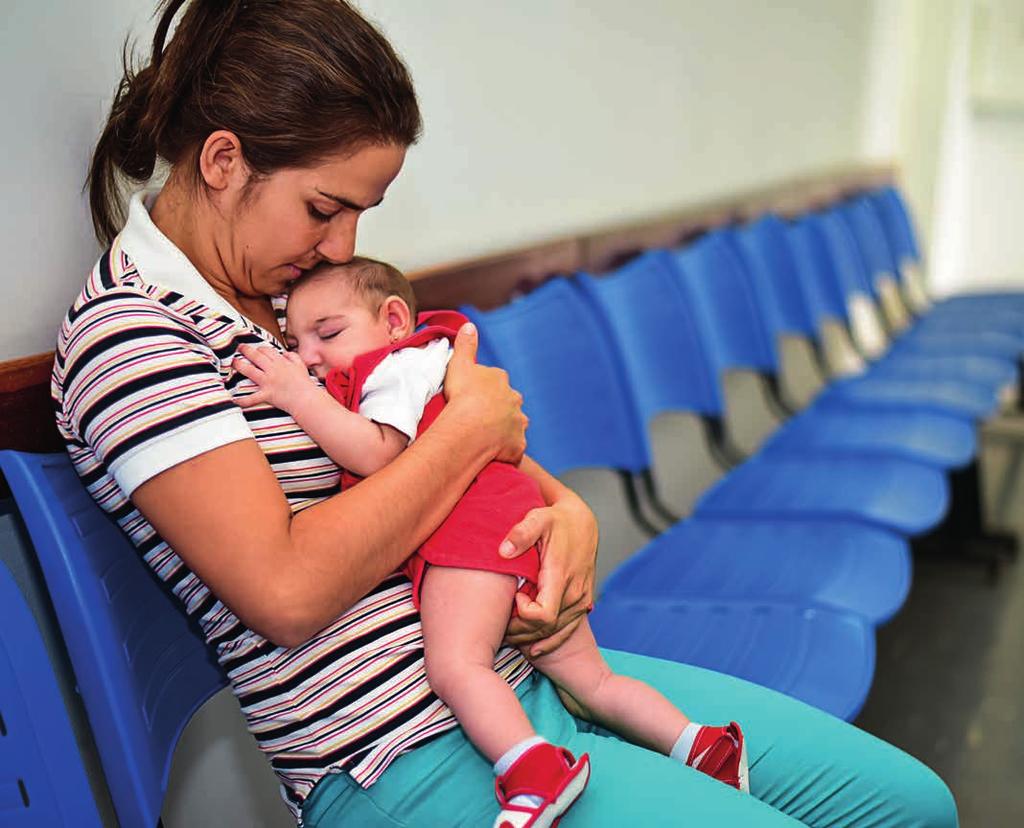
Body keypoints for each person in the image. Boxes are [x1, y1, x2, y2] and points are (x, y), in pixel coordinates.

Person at [54, 0, 958, 825]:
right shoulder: (133, 337)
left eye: (360, 214)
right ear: (222, 161)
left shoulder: (295, 295)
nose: (344, 245)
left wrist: (567, 511)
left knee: (911, 805)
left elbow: (477, 453)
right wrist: (467, 432)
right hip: (394, 752)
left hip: (526, 677)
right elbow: (287, 596)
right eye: (323, 209)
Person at [232, 257, 750, 824]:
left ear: (395, 320)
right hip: (510, 520)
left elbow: (378, 454)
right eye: (296, 342)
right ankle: (700, 746)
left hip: (472, 533)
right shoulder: (433, 357)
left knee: (457, 668)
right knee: (593, 680)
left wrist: (298, 397)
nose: (309, 357)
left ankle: (532, 771)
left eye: (327, 334)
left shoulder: (395, 367)